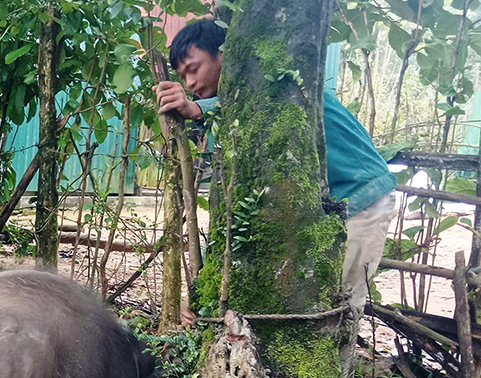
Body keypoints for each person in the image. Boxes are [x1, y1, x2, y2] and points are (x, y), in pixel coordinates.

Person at [156, 19, 397, 320]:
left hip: (360, 198)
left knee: (339, 309)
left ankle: (339, 367)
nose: (190, 84)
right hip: (319, 208)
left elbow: (257, 98)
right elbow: (234, 208)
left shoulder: (276, 80)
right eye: (182, 77)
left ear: (225, 54)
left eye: (193, 69)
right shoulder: (227, 119)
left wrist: (198, 109)